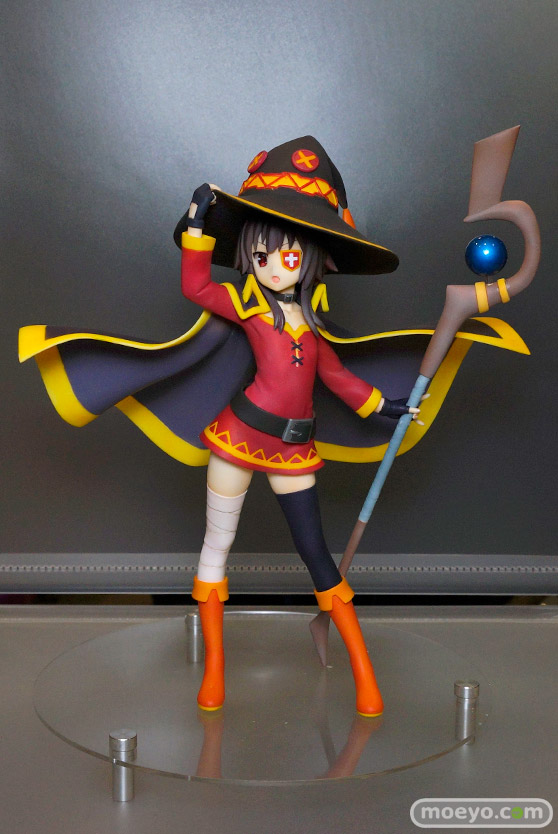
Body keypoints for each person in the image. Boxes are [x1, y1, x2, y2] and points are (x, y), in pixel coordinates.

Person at [175, 137, 421, 716]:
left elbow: (335, 376)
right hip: (239, 437)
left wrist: (381, 406)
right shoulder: (248, 306)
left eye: (288, 257)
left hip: (292, 448)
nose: (273, 266)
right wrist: (197, 226)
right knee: (217, 548)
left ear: (312, 259)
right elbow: (196, 287)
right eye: (262, 255)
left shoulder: (310, 326)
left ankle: (365, 677)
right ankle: (215, 672)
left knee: (318, 557)